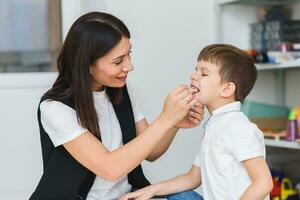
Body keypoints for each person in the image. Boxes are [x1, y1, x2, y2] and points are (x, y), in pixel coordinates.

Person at [29, 12, 204, 200]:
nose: (129, 66)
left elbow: (151, 152)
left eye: (129, 54)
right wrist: (166, 118)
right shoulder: (54, 108)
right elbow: (110, 168)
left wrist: (174, 123)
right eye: (118, 61)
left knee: (188, 197)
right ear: (86, 64)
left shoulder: (121, 90)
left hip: (126, 196)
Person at [121, 44, 274, 200]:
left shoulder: (238, 127)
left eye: (204, 73)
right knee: (181, 195)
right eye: (196, 70)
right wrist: (151, 190)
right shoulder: (215, 125)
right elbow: (193, 178)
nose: (193, 76)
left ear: (227, 89)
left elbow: (263, 183)